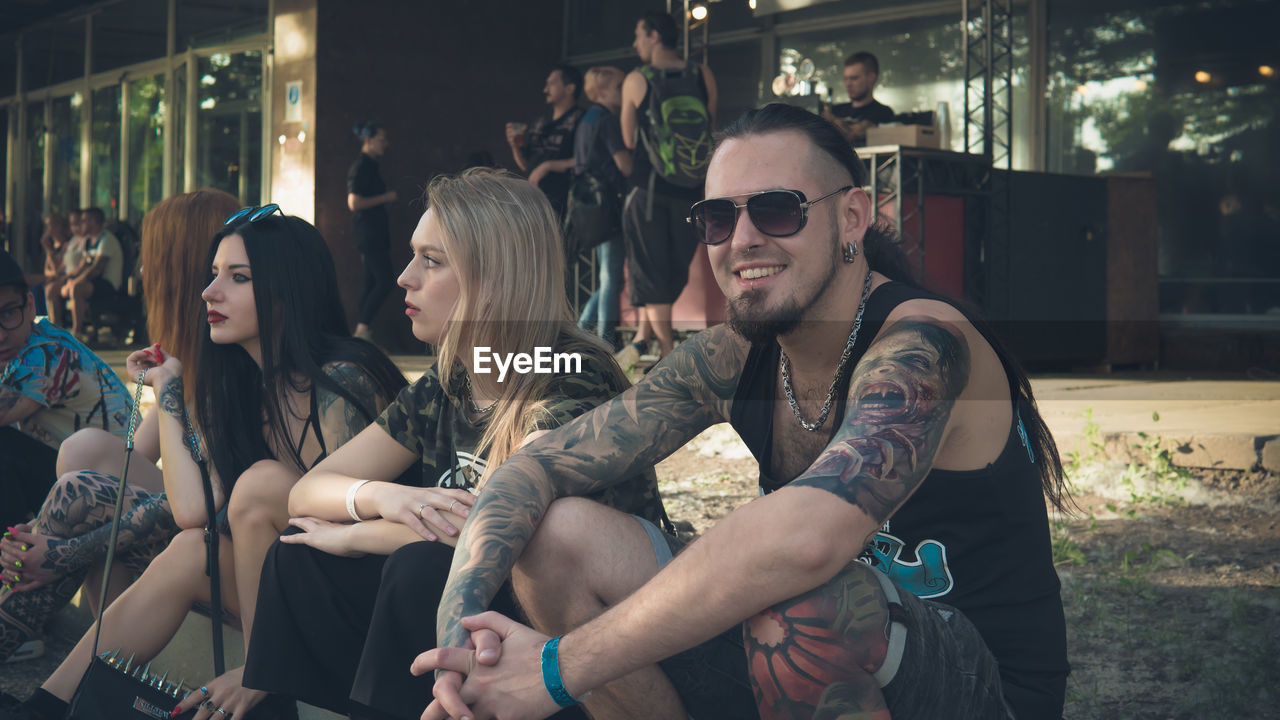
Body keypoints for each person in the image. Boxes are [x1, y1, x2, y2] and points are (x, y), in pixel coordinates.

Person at [414, 104, 1071, 720]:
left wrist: (558, 669)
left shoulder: (925, 344)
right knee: (554, 534)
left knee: (809, 599)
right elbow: (534, 470)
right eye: (719, 220)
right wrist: (457, 638)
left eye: (779, 210)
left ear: (851, 218)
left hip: (978, 688)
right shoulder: (733, 356)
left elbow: (808, 539)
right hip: (804, 665)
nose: (743, 241)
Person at [241, 168, 669, 720]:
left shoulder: (571, 372)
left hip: (576, 632)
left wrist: (359, 537)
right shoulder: (455, 380)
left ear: (493, 277)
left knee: (414, 568)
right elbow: (308, 491)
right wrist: (388, 499)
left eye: (431, 260)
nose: (403, 278)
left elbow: (499, 530)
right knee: (299, 553)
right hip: (476, 608)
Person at [1, 209, 407, 720]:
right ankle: (47, 706)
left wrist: (267, 661)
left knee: (259, 486)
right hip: (285, 586)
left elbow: (366, 543)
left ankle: (269, 678)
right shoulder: (241, 382)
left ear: (288, 289)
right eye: (213, 274)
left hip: (359, 603)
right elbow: (193, 510)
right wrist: (167, 387)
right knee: (193, 546)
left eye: (238, 278)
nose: (210, 292)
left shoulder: (343, 380)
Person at [0, 190, 239, 668]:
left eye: (152, 262)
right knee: (82, 457)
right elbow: (136, 456)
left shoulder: (236, 361)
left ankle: (37, 639)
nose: (143, 276)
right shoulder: (192, 356)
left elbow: (202, 503)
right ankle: (94, 657)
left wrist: (63, 551)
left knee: (81, 462)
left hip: (226, 540)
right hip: (191, 520)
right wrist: (47, 524)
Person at [0, 248, 132, 535]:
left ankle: (10, 559)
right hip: (85, 478)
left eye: (8, 313)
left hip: (113, 495)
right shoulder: (29, 341)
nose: (1, 333)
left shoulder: (45, 355)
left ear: (31, 305)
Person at [620, 11, 718, 360]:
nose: (635, 44)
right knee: (676, 270)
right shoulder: (701, 74)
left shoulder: (636, 79)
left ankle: (665, 352)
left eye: (639, 35)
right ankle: (654, 343)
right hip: (691, 191)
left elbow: (628, 139)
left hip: (648, 190)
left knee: (651, 269)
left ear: (655, 36)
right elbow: (708, 126)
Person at [574, 66, 632, 347]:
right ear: (601, 92)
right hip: (610, 204)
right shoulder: (607, 120)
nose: (624, 91)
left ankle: (582, 333)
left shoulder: (586, 119)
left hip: (590, 206)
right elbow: (624, 164)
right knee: (611, 278)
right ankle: (604, 343)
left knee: (607, 277)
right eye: (619, 86)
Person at [506, 65, 586, 218]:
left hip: (562, 205)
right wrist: (514, 147)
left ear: (570, 88)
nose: (545, 89)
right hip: (532, 203)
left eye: (552, 83)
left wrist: (548, 166)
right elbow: (525, 165)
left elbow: (586, 159)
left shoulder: (581, 120)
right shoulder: (540, 122)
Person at [348, 121, 398, 342]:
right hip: (369, 235)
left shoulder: (371, 166)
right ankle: (361, 331)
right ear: (368, 140)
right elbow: (354, 202)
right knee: (384, 280)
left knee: (371, 283)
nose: (385, 144)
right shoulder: (361, 167)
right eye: (381, 139)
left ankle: (363, 333)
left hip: (374, 234)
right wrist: (385, 198)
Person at [61, 207, 124, 342]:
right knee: (57, 288)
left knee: (76, 289)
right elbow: (82, 266)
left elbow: (96, 269)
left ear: (94, 221)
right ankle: (57, 329)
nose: (81, 223)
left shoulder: (107, 240)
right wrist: (65, 280)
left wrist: (75, 283)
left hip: (108, 285)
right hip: (92, 283)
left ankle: (77, 331)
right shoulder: (88, 241)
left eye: (84, 220)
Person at [821, 51, 895, 146]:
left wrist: (832, 120)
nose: (848, 84)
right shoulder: (836, 110)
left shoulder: (883, 113)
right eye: (846, 79)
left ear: (871, 78)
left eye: (854, 78)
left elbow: (854, 134)